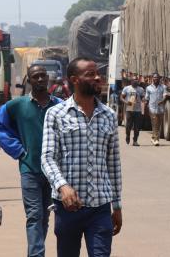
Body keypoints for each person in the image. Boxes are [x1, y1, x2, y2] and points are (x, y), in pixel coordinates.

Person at [41, 57, 122, 257]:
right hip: (67, 208)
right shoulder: (56, 114)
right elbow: (47, 157)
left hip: (100, 207)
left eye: (97, 74)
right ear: (74, 79)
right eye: (90, 74)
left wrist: (117, 204)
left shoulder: (109, 115)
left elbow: (113, 163)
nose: (97, 78)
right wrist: (63, 186)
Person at [0, 65, 62, 257]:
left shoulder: (60, 105)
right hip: (30, 169)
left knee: (45, 217)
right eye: (35, 76)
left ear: (48, 79)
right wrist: (17, 150)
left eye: (43, 76)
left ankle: (36, 251)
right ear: (28, 80)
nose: (40, 79)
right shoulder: (18, 104)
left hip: (55, 172)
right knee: (34, 216)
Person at [120, 78, 145, 146]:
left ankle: (135, 141)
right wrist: (126, 102)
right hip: (129, 109)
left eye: (137, 80)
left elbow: (143, 97)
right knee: (128, 126)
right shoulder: (126, 88)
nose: (135, 81)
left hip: (138, 110)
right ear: (131, 81)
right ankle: (128, 136)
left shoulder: (141, 89)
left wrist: (143, 99)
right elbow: (121, 97)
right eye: (134, 80)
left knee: (137, 127)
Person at [145, 73, 167, 146]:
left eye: (157, 78)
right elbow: (147, 98)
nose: (155, 79)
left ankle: (153, 137)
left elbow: (165, 96)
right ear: (152, 78)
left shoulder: (163, 87)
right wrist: (145, 107)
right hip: (152, 108)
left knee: (159, 124)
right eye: (154, 77)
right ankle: (156, 140)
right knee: (154, 123)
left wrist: (162, 101)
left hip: (160, 108)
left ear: (159, 79)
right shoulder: (148, 88)